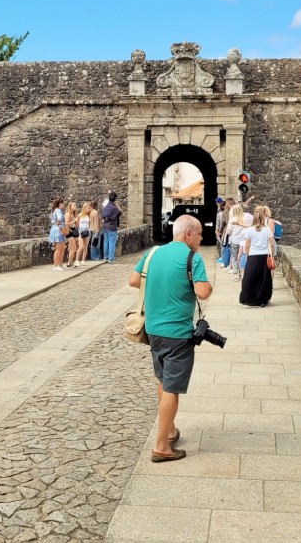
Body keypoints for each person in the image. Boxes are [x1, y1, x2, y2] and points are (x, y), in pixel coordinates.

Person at [128, 215, 211, 463]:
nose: (201, 238)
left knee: (163, 381)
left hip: (153, 329)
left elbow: (134, 280)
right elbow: (203, 292)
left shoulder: (152, 253)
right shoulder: (192, 258)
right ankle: (161, 446)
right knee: (172, 389)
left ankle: (170, 430)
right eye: (199, 234)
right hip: (177, 333)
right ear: (188, 234)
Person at [240, 206, 276, 307]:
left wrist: (247, 256)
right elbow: (271, 244)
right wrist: (272, 256)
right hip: (264, 256)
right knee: (264, 278)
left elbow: (247, 245)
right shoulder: (267, 230)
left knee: (250, 278)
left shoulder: (249, 230)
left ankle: (251, 298)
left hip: (253, 256)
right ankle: (263, 299)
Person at [226, 205, 247, 280]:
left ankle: (236, 274)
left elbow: (228, 232)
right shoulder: (245, 219)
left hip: (235, 240)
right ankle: (242, 272)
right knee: (242, 256)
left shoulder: (232, 220)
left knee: (234, 256)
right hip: (244, 241)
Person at [101, 192, 122, 263]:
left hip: (105, 226)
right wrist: (117, 205)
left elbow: (103, 215)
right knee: (112, 243)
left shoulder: (106, 207)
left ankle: (105, 257)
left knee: (106, 242)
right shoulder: (115, 208)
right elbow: (121, 212)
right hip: (112, 227)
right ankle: (111, 258)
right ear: (115, 199)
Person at [48, 197, 66, 271]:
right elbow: (59, 220)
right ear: (60, 204)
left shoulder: (55, 210)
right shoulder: (58, 210)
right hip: (58, 229)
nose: (64, 205)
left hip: (56, 229)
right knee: (59, 249)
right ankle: (56, 265)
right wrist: (59, 226)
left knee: (61, 248)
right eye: (63, 203)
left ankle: (59, 264)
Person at [75, 202, 92, 266]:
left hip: (87, 231)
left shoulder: (89, 215)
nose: (89, 209)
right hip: (81, 231)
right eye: (88, 208)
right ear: (84, 208)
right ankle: (77, 260)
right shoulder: (80, 215)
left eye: (89, 208)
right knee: (81, 246)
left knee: (85, 247)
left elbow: (89, 223)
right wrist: (79, 230)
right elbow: (77, 224)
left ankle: (83, 260)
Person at [64, 201, 80, 267]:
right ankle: (69, 263)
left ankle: (71, 262)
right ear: (70, 207)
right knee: (73, 248)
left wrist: (77, 221)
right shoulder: (68, 214)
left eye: (75, 205)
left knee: (72, 248)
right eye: (73, 205)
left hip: (73, 230)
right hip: (69, 231)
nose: (75, 206)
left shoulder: (73, 214)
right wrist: (74, 220)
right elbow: (66, 223)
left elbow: (77, 225)